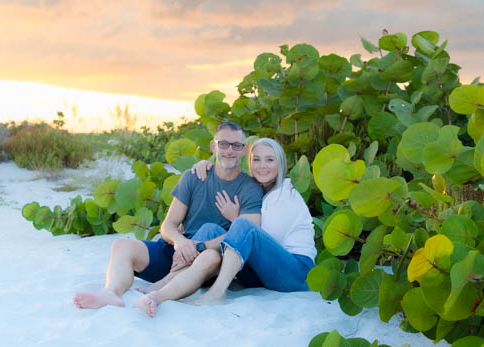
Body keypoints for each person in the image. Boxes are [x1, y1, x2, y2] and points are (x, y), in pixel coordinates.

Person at [73, 122, 263, 310]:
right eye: (224, 144)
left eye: (236, 145)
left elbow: (244, 234)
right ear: (213, 146)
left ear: (244, 149)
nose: (229, 150)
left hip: (207, 262)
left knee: (210, 256)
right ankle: (111, 292)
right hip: (177, 253)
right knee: (121, 246)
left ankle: (159, 292)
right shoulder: (194, 176)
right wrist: (181, 242)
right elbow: (168, 225)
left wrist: (198, 246)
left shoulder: (250, 188)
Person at [135, 137, 315, 317]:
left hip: (295, 272)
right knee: (210, 229)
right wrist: (207, 166)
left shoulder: (285, 196)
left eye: (270, 160)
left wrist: (234, 219)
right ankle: (165, 285)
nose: (262, 166)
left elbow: (259, 237)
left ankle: (217, 293)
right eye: (256, 159)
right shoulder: (259, 190)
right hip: (266, 271)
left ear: (280, 163)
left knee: (243, 225)